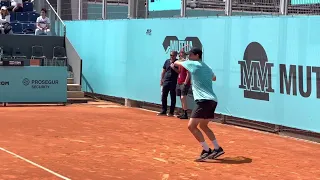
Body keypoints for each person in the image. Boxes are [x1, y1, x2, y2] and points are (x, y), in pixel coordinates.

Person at [174, 47, 224, 162]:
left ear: (197, 55)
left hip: (203, 100)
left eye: (191, 54)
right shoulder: (207, 67)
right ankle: (217, 148)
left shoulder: (194, 64)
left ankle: (206, 150)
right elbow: (214, 78)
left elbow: (176, 62)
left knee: (191, 126)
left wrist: (181, 58)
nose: (189, 56)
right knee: (203, 126)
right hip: (212, 100)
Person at [158, 51, 179, 117]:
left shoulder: (178, 62)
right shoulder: (167, 61)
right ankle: (164, 111)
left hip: (173, 82)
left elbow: (179, 72)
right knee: (164, 96)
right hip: (166, 81)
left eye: (173, 55)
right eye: (170, 55)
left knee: (173, 97)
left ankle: (171, 112)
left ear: (176, 56)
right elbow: (163, 71)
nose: (171, 56)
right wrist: (162, 79)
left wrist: (173, 67)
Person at [176, 49, 191, 119]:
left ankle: (185, 114)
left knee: (183, 97)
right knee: (181, 98)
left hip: (184, 83)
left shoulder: (186, 63)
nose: (180, 54)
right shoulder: (180, 63)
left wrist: (185, 83)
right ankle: (183, 113)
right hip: (179, 82)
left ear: (184, 54)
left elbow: (188, 74)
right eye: (180, 53)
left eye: (182, 53)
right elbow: (179, 71)